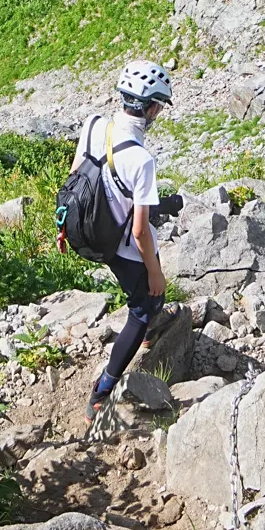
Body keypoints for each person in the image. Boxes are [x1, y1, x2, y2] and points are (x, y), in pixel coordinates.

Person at [73, 59, 174, 412]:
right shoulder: (142, 159)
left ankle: (145, 333)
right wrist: (155, 271)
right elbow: (140, 231)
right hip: (126, 246)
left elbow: (76, 177)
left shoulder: (94, 125)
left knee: (145, 295)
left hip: (94, 232)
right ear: (152, 108)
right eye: (159, 106)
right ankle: (102, 390)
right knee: (145, 307)